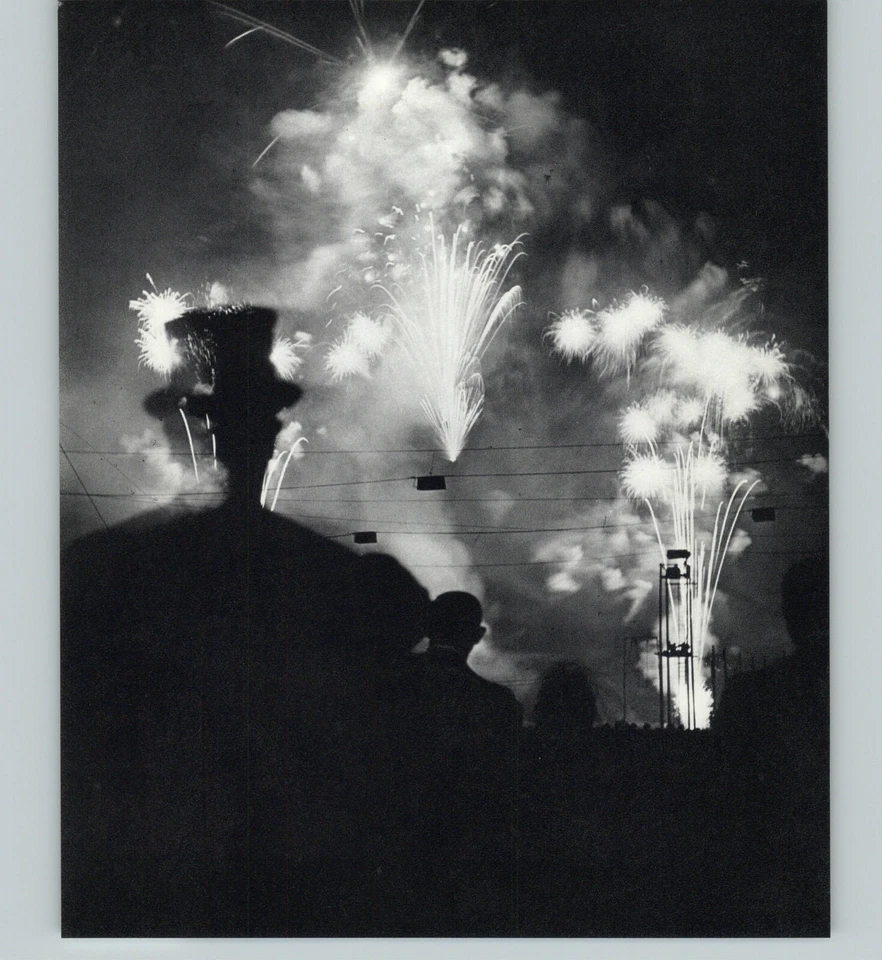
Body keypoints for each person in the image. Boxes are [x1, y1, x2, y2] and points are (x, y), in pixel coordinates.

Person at [61, 305, 435, 936]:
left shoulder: (111, 564)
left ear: (194, 434)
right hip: (284, 877)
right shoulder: (338, 577)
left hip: (156, 874)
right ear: (270, 435)